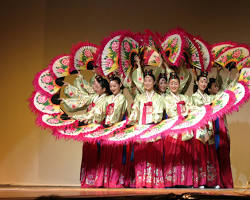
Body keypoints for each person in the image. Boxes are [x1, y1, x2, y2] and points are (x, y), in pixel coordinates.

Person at [128, 69, 165, 188]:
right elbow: (135, 111)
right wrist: (131, 121)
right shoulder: (139, 97)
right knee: (141, 156)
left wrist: (152, 122)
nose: (147, 83)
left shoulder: (159, 97)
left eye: (150, 80)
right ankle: (141, 181)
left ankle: (153, 181)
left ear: (154, 82)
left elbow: (159, 114)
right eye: (145, 80)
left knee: (153, 156)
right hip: (141, 129)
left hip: (153, 128)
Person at [163, 72, 194, 187]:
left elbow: (190, 108)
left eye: (176, 83)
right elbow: (170, 111)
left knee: (185, 155)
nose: (174, 86)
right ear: (168, 85)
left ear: (179, 85)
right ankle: (172, 181)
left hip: (185, 128)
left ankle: (186, 181)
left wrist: (187, 113)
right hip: (173, 129)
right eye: (171, 83)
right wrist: (182, 113)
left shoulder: (185, 97)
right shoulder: (166, 98)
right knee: (173, 155)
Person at [191, 71, 221, 188]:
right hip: (199, 128)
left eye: (205, 81)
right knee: (201, 154)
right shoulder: (194, 97)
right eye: (201, 81)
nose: (203, 83)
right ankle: (200, 181)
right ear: (197, 82)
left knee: (210, 154)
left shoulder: (209, 97)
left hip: (209, 128)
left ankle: (212, 182)